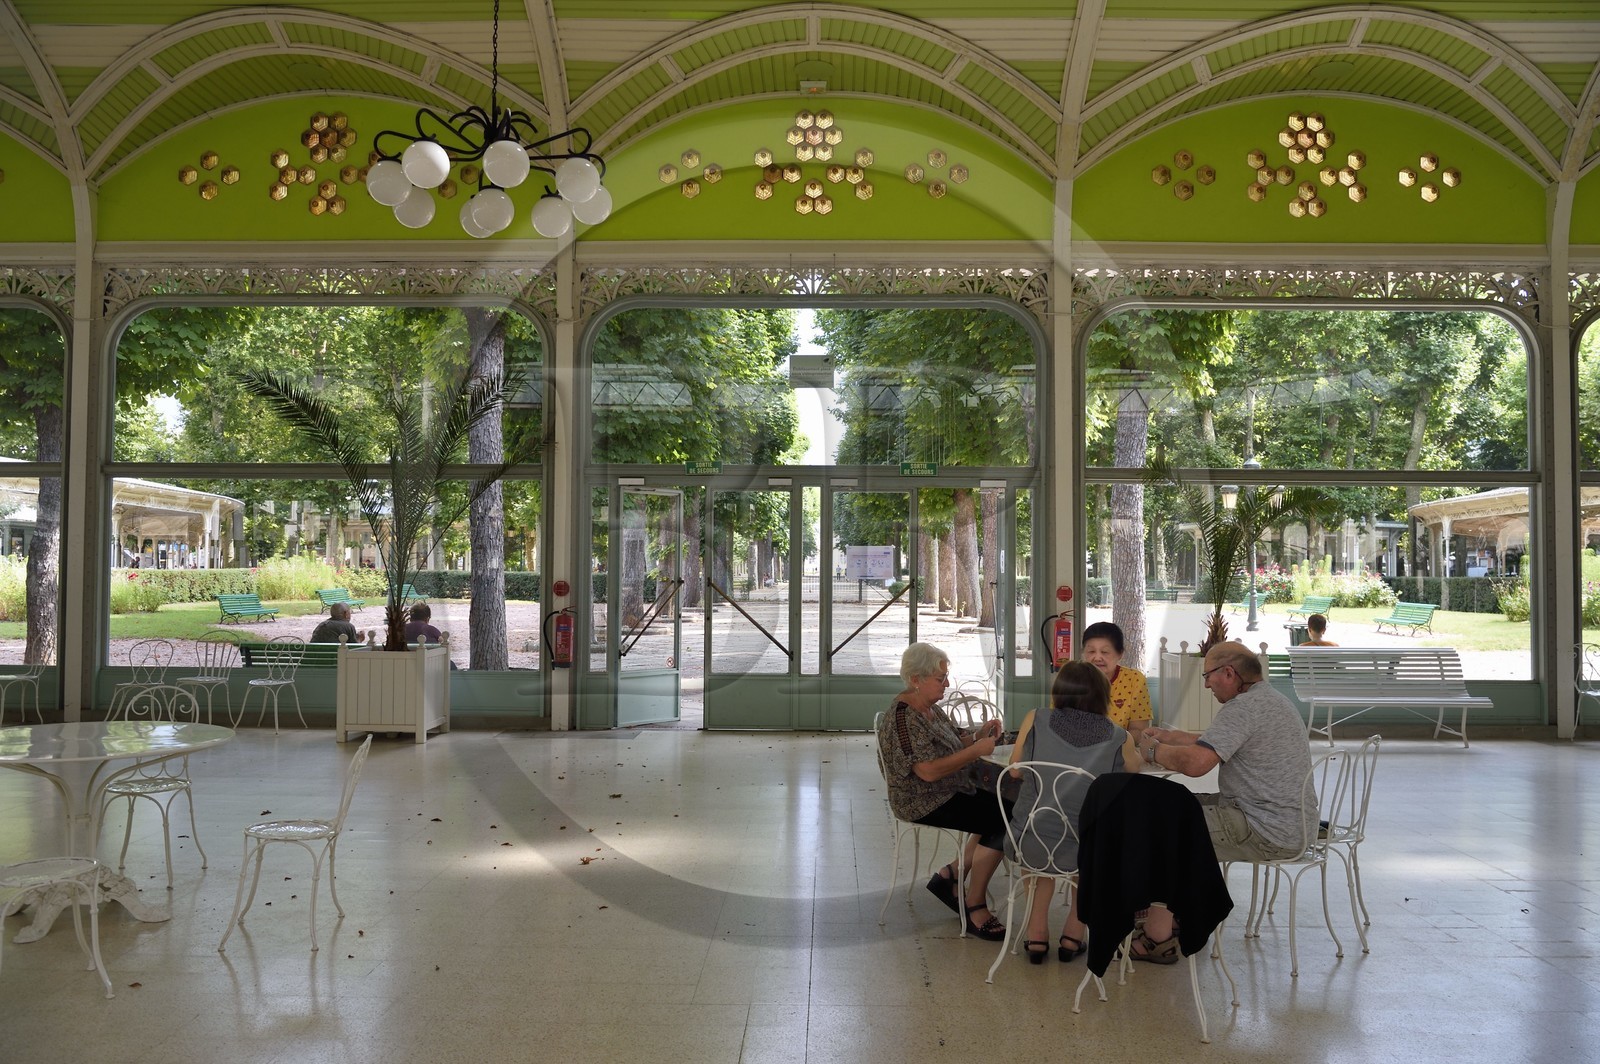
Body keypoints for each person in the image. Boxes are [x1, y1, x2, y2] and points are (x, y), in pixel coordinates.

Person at [1132, 640, 1315, 962]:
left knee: (1162, 831)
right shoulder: (1268, 699)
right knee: (1171, 807)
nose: (1205, 684)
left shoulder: (1243, 707)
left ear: (1229, 673)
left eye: (1208, 676)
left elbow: (1195, 764)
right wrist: (1172, 737)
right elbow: (1221, 739)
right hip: (1286, 820)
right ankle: (1178, 909)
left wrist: (1148, 750)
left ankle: (1157, 937)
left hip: (1264, 828)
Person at [1005, 661, 1142, 964]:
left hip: (1029, 837)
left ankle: (1036, 935)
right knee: (1092, 849)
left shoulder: (1036, 718)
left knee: (1040, 856)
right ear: (1103, 696)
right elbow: (1132, 775)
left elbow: (1015, 771)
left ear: (1059, 692)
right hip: (1087, 847)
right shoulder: (1120, 737)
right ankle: (1073, 934)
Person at [876, 642, 1011, 941]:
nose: (947, 684)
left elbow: (955, 744)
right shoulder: (903, 718)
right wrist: (976, 750)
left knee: (1008, 806)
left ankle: (951, 874)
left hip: (949, 788)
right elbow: (927, 771)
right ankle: (974, 904)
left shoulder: (930, 709)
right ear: (916, 680)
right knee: (1002, 819)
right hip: (921, 800)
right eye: (941, 679)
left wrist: (979, 735)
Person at [1080, 621, 1153, 741]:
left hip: (1120, 750)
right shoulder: (1071, 678)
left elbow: (1139, 731)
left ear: (1120, 654)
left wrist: (1111, 744)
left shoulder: (1134, 680)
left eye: (1105, 652)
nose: (1097, 658)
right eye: (1091, 652)